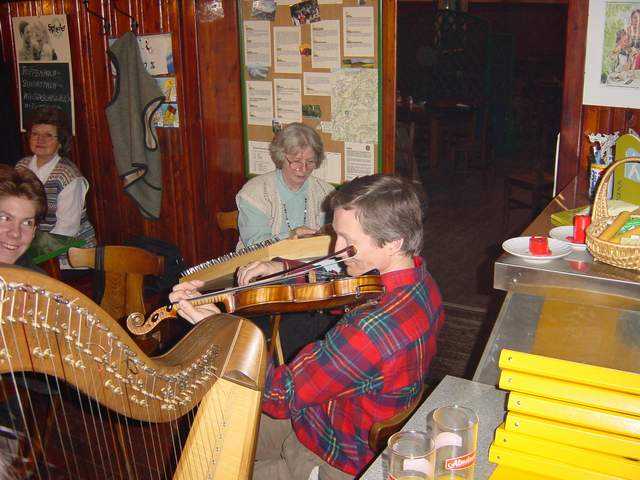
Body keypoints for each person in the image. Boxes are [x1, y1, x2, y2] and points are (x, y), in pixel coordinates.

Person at [171, 174, 445, 478]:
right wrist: (281, 268)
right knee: (213, 442)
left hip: (332, 454)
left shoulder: (369, 330)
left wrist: (220, 328)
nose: (335, 249)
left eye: (348, 242)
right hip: (328, 413)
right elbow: (338, 282)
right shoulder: (420, 281)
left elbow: (278, 395)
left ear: (393, 242)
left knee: (209, 467)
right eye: (335, 234)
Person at [236, 122, 334, 249]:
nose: (303, 168)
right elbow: (255, 246)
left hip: (311, 264)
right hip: (261, 263)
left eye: (310, 161)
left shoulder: (326, 192)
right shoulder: (254, 193)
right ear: (281, 157)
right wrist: (290, 237)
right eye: (296, 161)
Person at [16, 106, 96, 252]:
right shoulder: (21, 167)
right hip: (30, 247)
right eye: (35, 134)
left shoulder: (69, 177)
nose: (40, 140)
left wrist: (25, 250)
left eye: (48, 135)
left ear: (61, 142)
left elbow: (66, 231)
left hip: (69, 255)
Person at [0, 165, 47, 268]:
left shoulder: (35, 281)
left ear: (34, 231)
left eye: (27, 223)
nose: (15, 233)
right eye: (5, 218)